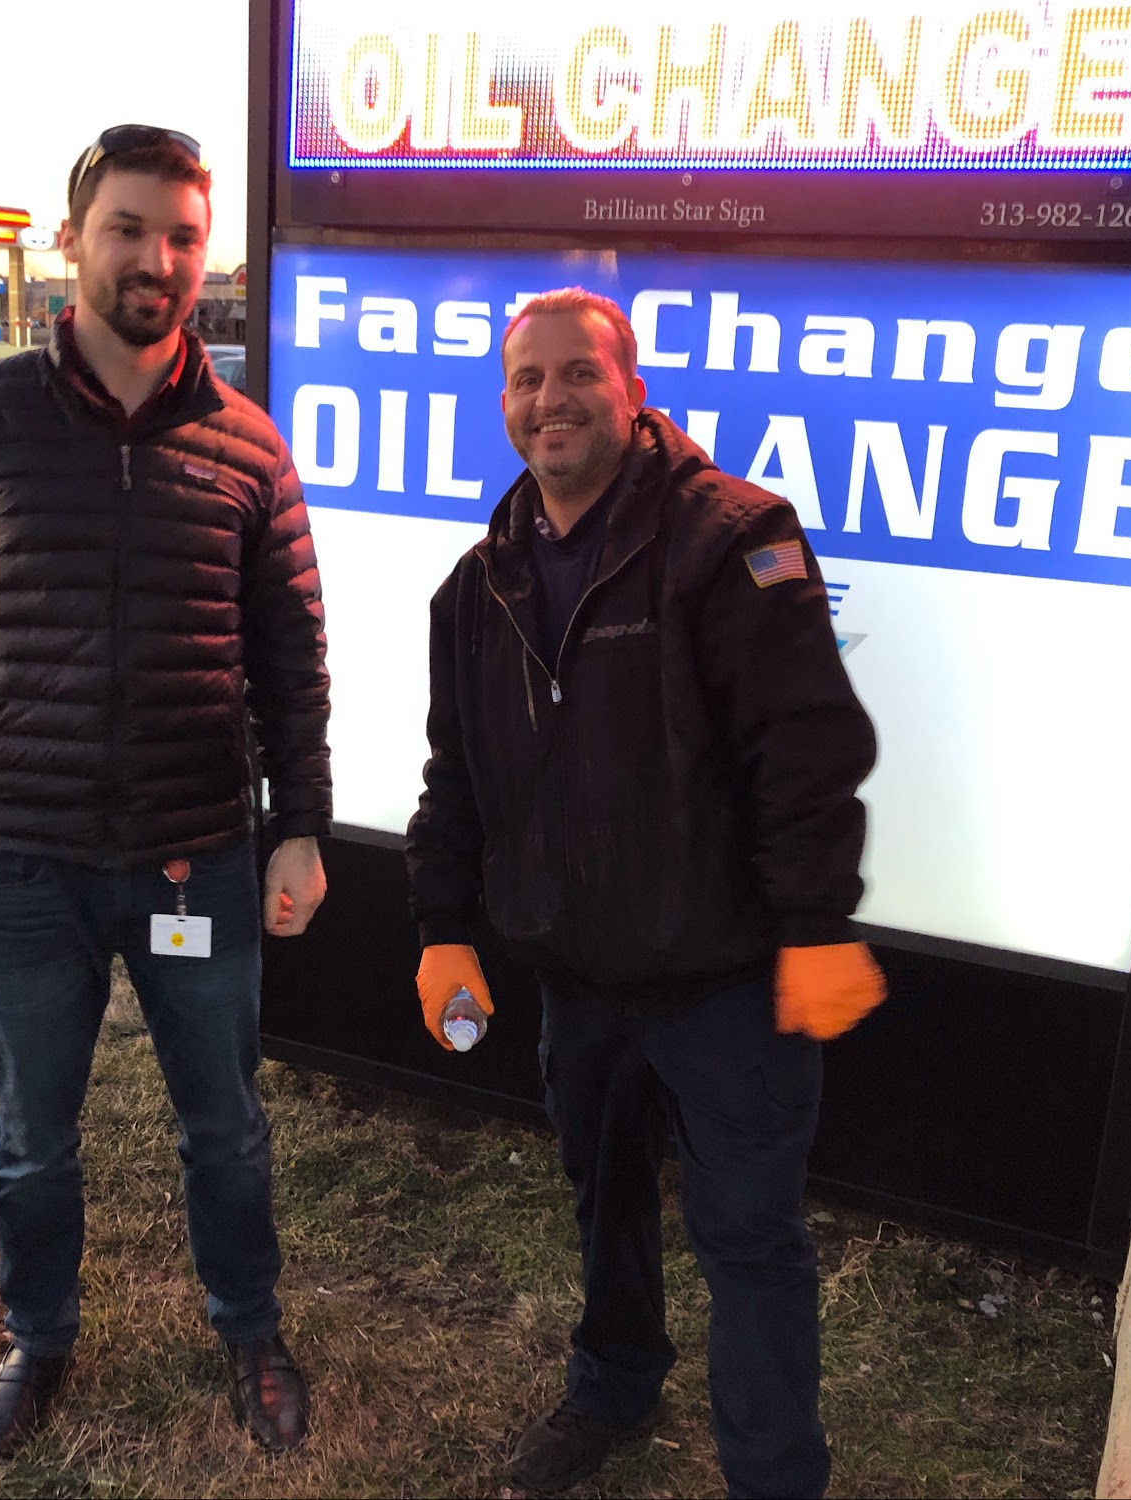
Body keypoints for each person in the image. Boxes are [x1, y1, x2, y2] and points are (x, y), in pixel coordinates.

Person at [0, 124, 331, 1471]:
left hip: (194, 859)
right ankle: (38, 1340)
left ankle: (251, 1330)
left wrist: (298, 824)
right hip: (26, 864)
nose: (156, 259)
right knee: (29, 1144)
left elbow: (291, 655)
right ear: (71, 241)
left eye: (182, 236)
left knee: (226, 1129)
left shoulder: (246, 447)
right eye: (128, 228)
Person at [405, 289, 884, 1498]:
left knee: (749, 1239)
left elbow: (803, 751)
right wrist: (442, 928)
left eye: (578, 372)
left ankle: (773, 1478)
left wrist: (814, 927)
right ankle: (613, 1385)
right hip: (578, 978)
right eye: (527, 379)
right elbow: (455, 774)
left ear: (630, 390)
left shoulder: (733, 539)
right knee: (603, 1201)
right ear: (502, 403)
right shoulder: (478, 587)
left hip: (728, 983)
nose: (550, 399)